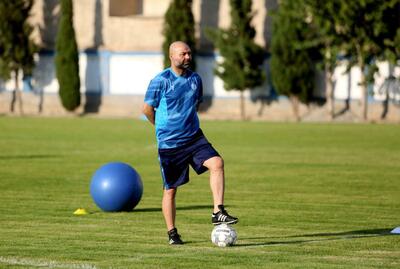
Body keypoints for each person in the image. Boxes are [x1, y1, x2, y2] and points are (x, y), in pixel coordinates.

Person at [142, 41, 238, 245]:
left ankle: (218, 211)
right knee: (170, 190)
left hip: (194, 137)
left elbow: (195, 105)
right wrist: (161, 129)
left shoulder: (196, 79)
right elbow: (147, 110)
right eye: (183, 54)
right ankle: (172, 233)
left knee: (217, 163)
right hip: (170, 144)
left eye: (189, 54)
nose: (187, 57)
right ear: (171, 56)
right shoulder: (160, 81)